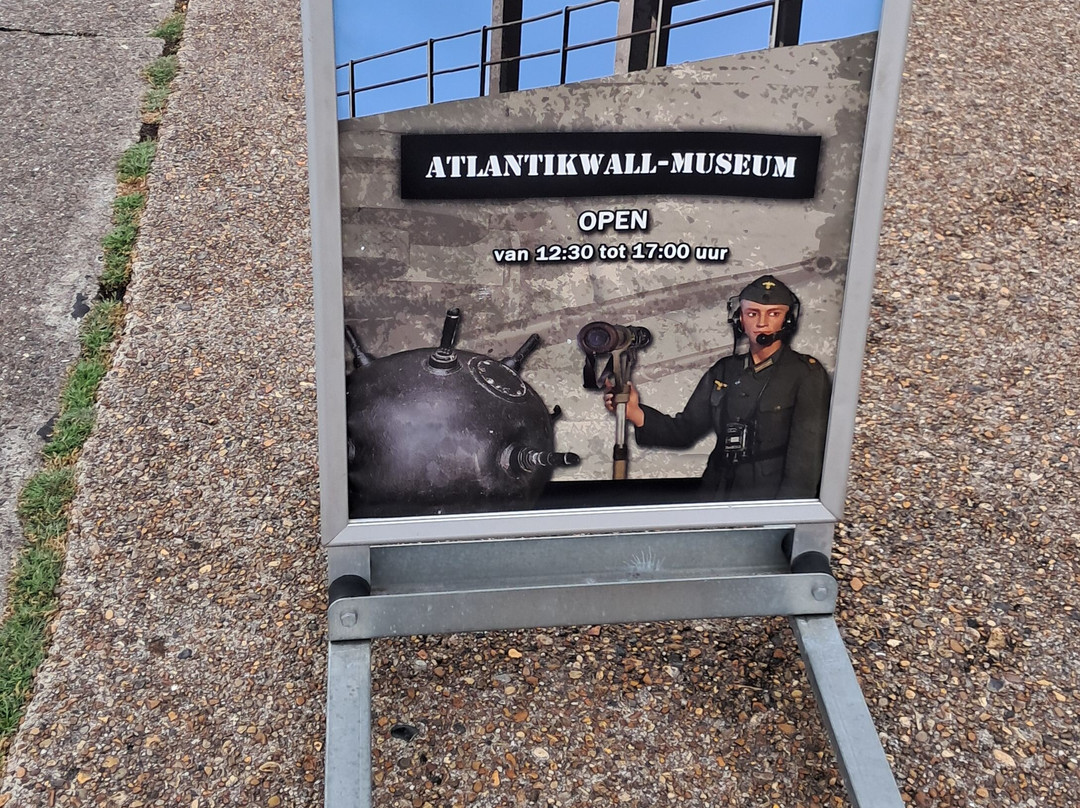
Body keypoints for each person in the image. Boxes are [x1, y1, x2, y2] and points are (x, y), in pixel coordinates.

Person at [604, 275, 831, 500]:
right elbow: (684, 431)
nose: (762, 322)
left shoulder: (806, 374)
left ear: (787, 320)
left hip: (766, 494)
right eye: (753, 313)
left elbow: (805, 463)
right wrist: (635, 412)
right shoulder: (724, 371)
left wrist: (788, 515)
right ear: (739, 318)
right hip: (716, 488)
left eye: (774, 314)